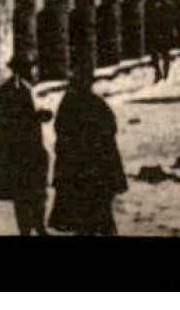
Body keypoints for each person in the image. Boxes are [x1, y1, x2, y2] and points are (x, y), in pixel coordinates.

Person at [48, 65, 127, 235]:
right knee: (98, 216)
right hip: (94, 171)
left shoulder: (69, 102)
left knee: (84, 219)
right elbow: (110, 129)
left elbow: (60, 130)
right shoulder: (95, 103)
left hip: (78, 171)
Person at [0, 53, 52, 235]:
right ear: (21, 70)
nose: (33, 71)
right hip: (21, 151)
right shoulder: (10, 89)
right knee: (24, 193)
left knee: (38, 190)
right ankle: (27, 230)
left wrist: (38, 116)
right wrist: (33, 118)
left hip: (34, 148)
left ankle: (38, 226)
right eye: (29, 68)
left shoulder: (28, 88)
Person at [146, 0, 178, 81]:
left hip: (165, 33)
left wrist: (173, 30)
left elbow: (173, 19)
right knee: (154, 55)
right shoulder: (149, 4)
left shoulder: (168, 5)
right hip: (154, 33)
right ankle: (158, 73)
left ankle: (166, 74)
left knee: (165, 55)